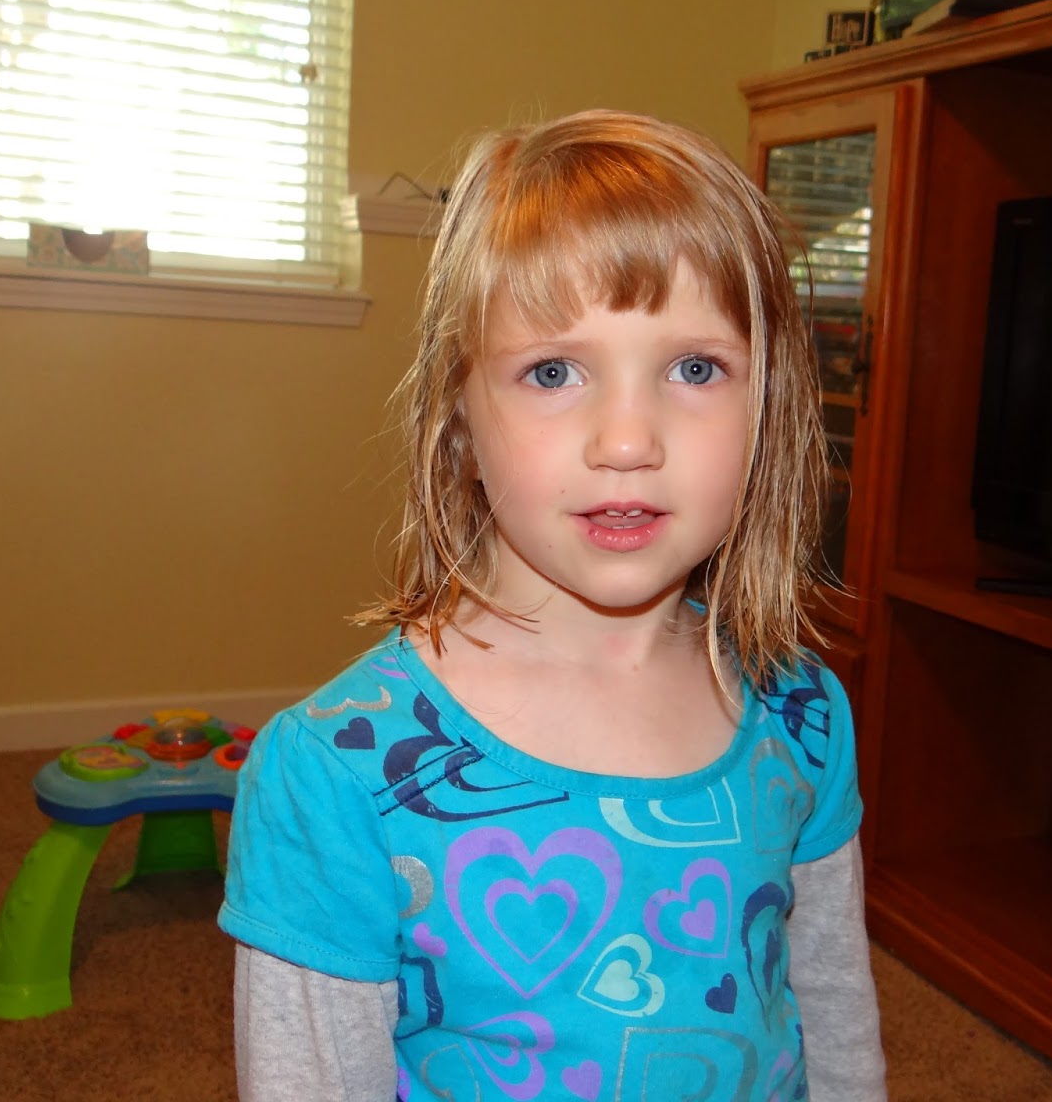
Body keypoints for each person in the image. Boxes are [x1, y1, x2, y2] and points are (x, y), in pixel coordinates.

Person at [218, 109, 888, 1102]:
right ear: (456, 419)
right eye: (553, 371)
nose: (627, 440)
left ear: (768, 410)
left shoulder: (802, 715)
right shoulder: (336, 775)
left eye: (695, 368)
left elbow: (830, 1005)